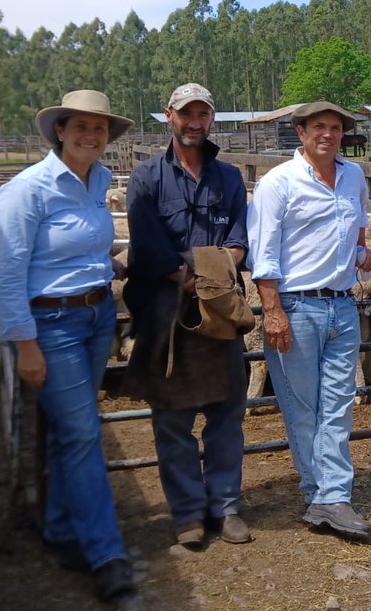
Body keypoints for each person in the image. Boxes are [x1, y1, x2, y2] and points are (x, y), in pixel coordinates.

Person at [0, 90, 137, 604]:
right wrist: (25, 346)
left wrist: (108, 265)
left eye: (99, 128)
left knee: (67, 433)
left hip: (97, 317)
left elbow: (85, 244)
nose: (90, 135)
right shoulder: (26, 192)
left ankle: (57, 530)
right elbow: (6, 276)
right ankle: (107, 554)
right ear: (59, 130)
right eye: (80, 126)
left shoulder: (98, 181)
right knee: (82, 434)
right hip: (50, 324)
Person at [123, 83, 251, 549]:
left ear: (211, 119)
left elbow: (240, 239)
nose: (194, 123)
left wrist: (212, 282)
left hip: (220, 312)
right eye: (186, 114)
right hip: (166, 311)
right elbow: (150, 246)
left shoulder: (230, 178)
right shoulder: (146, 178)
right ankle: (187, 512)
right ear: (169, 116)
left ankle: (226, 506)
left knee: (227, 413)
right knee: (172, 418)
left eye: (203, 114)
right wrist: (193, 279)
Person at [246, 101, 371, 540]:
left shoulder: (354, 177)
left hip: (342, 304)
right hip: (295, 307)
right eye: (318, 126)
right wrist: (273, 312)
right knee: (303, 407)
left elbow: (358, 229)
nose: (328, 134)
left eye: (335, 128)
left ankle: (332, 495)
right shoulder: (277, 183)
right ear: (300, 132)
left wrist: (362, 254)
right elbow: (262, 255)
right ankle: (320, 492)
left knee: (338, 404)